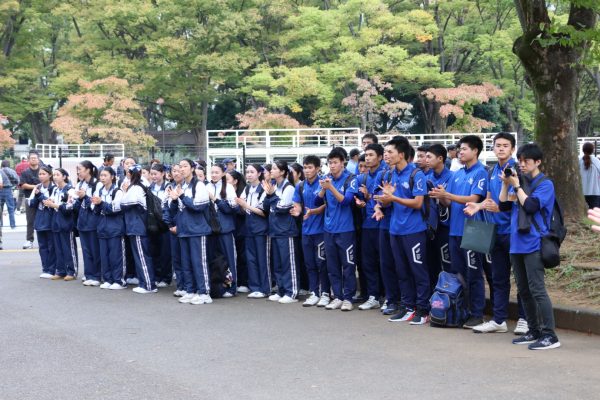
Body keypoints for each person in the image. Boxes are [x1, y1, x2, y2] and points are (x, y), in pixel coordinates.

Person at [499, 143, 561, 350]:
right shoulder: (520, 180)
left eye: (526, 161)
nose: (522, 164)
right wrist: (506, 184)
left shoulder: (545, 184)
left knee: (537, 290)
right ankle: (533, 330)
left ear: (538, 162)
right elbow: (503, 205)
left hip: (534, 242)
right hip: (516, 243)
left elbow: (532, 206)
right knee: (524, 291)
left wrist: (517, 186)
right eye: (520, 160)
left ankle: (550, 335)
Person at [464, 132, 528, 334]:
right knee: (498, 278)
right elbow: (489, 198)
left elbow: (518, 199)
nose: (500, 148)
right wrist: (478, 206)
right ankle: (499, 320)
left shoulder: (518, 170)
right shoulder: (491, 170)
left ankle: (525, 319)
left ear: (513, 149)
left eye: (505, 145)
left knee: (521, 278)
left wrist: (499, 208)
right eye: (497, 145)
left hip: (515, 232)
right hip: (495, 231)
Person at [429, 135, 488, 328]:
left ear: (475, 151)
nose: (460, 152)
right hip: (454, 229)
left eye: (464, 149)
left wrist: (447, 194)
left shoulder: (480, 172)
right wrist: (440, 196)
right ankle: (461, 310)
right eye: (459, 149)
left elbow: (474, 198)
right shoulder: (457, 174)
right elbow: (448, 202)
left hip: (474, 229)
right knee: (458, 273)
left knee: (474, 273)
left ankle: (477, 313)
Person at [377, 137, 430, 325]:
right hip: (395, 230)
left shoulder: (416, 174)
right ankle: (408, 307)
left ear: (401, 154)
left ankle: (423, 310)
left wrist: (393, 198)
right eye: (385, 152)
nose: (386, 155)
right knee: (402, 271)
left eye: (390, 152)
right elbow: (387, 202)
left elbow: (418, 203)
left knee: (418, 271)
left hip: (414, 231)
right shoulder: (390, 175)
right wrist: (382, 201)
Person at [318, 147, 358, 311]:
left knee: (348, 265)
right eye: (330, 163)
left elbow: (346, 201)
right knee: (332, 265)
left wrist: (331, 188)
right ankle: (338, 296)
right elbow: (316, 201)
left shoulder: (351, 178)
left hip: (346, 229)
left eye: (335, 162)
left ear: (343, 163)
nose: (332, 166)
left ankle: (348, 297)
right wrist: (323, 188)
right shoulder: (326, 178)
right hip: (328, 229)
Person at [171, 159, 213, 305]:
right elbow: (177, 210)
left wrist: (182, 197)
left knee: (199, 262)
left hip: (197, 230)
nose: (182, 169)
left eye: (185, 166)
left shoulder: (199, 185)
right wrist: (175, 200)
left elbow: (198, 206)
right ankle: (190, 290)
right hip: (184, 230)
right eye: (180, 167)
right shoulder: (182, 186)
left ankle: (204, 292)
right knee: (186, 262)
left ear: (192, 168)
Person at [291, 155, 330, 307]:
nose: (307, 170)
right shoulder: (300, 186)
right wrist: (297, 210)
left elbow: (328, 204)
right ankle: (314, 293)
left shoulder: (324, 183)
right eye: (305, 167)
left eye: (310, 167)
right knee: (310, 264)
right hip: (306, 230)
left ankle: (325, 292)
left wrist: (314, 211)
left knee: (322, 264)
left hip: (321, 231)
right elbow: (297, 203)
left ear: (318, 168)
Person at [263, 160, 299, 304]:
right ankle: (281, 290)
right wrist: (269, 195)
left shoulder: (288, 187)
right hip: (274, 230)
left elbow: (282, 207)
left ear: (283, 172)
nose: (271, 171)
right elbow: (266, 207)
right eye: (271, 169)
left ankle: (291, 292)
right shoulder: (273, 186)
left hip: (286, 231)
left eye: (274, 169)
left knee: (287, 263)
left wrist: (272, 196)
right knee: (277, 264)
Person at [355, 144, 385, 310]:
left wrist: (369, 196)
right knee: (369, 263)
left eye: (371, 155)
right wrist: (361, 201)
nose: (367, 158)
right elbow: (356, 198)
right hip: (367, 225)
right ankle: (373, 296)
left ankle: (388, 297)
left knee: (385, 263)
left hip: (383, 225)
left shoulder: (385, 174)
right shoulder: (362, 178)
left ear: (380, 157)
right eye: (366, 155)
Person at [120, 165, 157, 294]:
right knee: (141, 255)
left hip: (138, 226)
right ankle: (144, 283)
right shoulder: (142, 184)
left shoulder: (136, 187)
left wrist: (124, 191)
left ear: (130, 174)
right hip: (138, 225)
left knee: (142, 256)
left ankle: (148, 285)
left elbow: (124, 203)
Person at [237, 164, 271, 298]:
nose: (249, 174)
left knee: (262, 259)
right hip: (249, 228)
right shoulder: (247, 188)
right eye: (247, 172)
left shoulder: (264, 188)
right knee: (251, 259)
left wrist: (246, 206)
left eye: (252, 172)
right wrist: (242, 204)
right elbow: (241, 204)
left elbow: (263, 212)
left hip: (261, 229)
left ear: (259, 173)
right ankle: (255, 287)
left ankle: (265, 288)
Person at [207, 164, 240, 297]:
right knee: (212, 259)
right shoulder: (207, 186)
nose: (214, 175)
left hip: (225, 228)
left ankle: (231, 288)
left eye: (217, 172)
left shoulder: (228, 187)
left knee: (229, 259)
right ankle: (217, 287)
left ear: (222, 174)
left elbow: (230, 209)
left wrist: (215, 199)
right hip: (211, 229)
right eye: (212, 172)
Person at [91, 167, 126, 289]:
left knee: (116, 256)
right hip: (102, 228)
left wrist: (101, 203)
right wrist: (96, 205)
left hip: (115, 228)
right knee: (104, 256)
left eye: (105, 175)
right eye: (101, 176)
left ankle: (119, 280)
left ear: (112, 177)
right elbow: (95, 210)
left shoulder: (117, 191)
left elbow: (115, 209)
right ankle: (107, 279)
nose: (102, 178)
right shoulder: (99, 191)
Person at [425, 144, 453, 286]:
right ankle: (434, 296)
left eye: (429, 157)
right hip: (429, 228)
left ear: (440, 158)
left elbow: (452, 203)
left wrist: (442, 196)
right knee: (431, 264)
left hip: (446, 228)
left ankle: (450, 295)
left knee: (448, 264)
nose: (426, 160)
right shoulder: (426, 177)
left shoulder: (452, 177)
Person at [45, 168, 78, 281]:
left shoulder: (70, 190)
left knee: (68, 248)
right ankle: (60, 270)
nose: (55, 177)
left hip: (66, 222)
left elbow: (69, 207)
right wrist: (49, 202)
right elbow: (52, 202)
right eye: (54, 175)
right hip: (56, 221)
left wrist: (54, 205)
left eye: (57, 175)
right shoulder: (55, 189)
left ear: (64, 177)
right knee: (58, 248)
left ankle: (71, 271)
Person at [73, 160, 102, 286]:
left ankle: (97, 275)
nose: (78, 172)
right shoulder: (80, 184)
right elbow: (77, 204)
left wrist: (84, 196)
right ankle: (89, 274)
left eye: (80, 169)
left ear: (88, 170)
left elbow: (95, 203)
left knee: (95, 249)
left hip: (93, 220)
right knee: (86, 250)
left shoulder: (97, 184)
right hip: (82, 220)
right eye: (77, 170)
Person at [28, 165, 56, 279]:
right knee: (42, 246)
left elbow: (48, 202)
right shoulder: (38, 187)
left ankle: (52, 269)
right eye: (40, 174)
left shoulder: (54, 187)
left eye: (44, 174)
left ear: (50, 175)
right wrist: (37, 196)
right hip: (40, 219)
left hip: (51, 219)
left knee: (51, 246)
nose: (41, 176)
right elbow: (31, 203)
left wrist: (39, 195)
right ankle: (45, 268)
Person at [164, 164, 186, 297]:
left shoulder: (186, 187)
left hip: (184, 228)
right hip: (172, 228)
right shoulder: (169, 187)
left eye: (179, 171)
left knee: (186, 258)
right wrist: (170, 225)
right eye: (174, 171)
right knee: (176, 258)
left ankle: (188, 286)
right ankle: (180, 285)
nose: (176, 173)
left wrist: (179, 226)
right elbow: (165, 207)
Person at [149, 164, 172, 288]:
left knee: (165, 252)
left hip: (164, 223)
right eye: (151, 174)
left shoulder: (169, 186)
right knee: (154, 251)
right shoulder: (149, 188)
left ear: (163, 173)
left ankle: (166, 277)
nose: (153, 176)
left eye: (155, 174)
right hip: (153, 223)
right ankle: (157, 276)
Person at [227, 169, 249, 293]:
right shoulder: (223, 192)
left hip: (241, 229)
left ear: (235, 181)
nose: (225, 182)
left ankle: (243, 282)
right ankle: (230, 282)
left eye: (227, 180)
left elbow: (243, 211)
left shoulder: (242, 193)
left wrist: (235, 204)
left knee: (242, 256)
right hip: (229, 229)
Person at [19, 151, 41, 249]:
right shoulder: (25, 172)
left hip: (42, 199)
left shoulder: (43, 171)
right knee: (30, 221)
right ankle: (29, 240)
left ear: (38, 159)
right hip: (30, 199)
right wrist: (36, 186)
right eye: (32, 158)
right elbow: (23, 185)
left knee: (44, 220)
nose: (33, 159)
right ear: (28, 160)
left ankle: (45, 240)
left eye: (35, 158)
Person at [579, 142, 600, 210]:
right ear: (593, 150)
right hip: (595, 192)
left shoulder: (579, 161)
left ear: (583, 150)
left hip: (581, 192)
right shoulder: (597, 161)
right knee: (594, 213)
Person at [0, 164, 16, 230]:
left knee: (0, 209)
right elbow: (16, 179)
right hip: (8, 189)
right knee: (11, 208)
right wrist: (13, 186)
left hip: (0, 189)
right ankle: (12, 225)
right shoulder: (11, 171)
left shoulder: (1, 171)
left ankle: (0, 225)